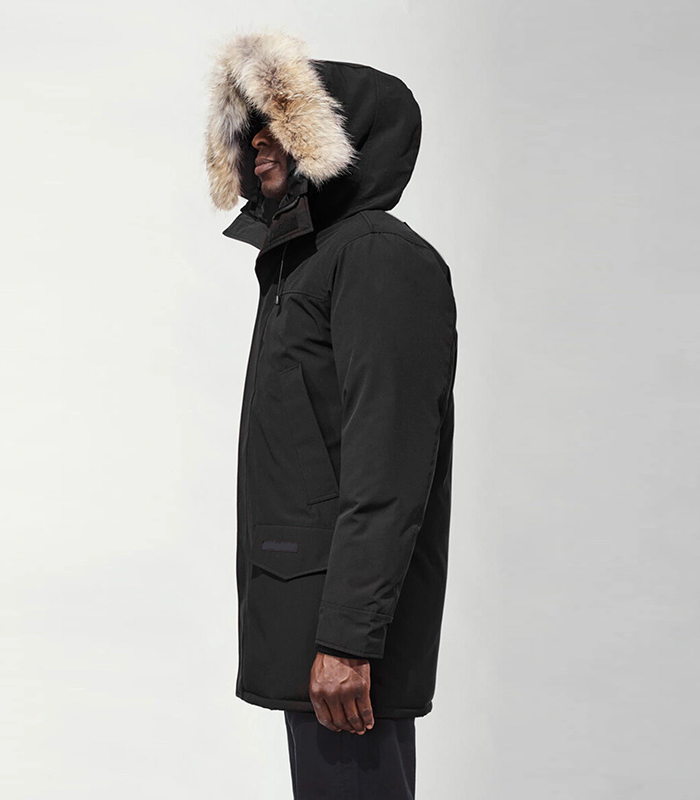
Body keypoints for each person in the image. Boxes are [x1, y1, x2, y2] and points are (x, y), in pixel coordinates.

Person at [205, 30, 458, 800]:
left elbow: (389, 465)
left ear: (333, 137)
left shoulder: (378, 256)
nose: (257, 142)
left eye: (279, 123)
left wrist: (349, 640)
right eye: (251, 127)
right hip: (307, 613)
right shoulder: (303, 263)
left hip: (344, 642)